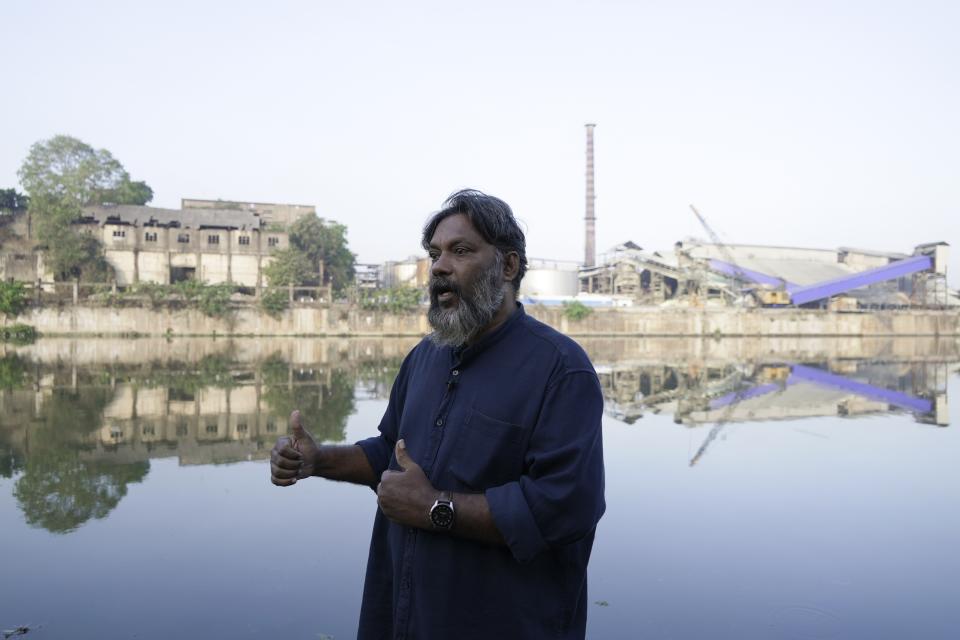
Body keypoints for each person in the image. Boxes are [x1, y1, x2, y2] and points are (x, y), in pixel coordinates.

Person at [270, 189, 605, 639]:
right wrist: (318, 460)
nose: (440, 267)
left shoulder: (561, 371)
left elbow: (562, 510)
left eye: (460, 251)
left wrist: (432, 507)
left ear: (508, 266)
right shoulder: (426, 357)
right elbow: (394, 452)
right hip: (405, 618)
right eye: (434, 254)